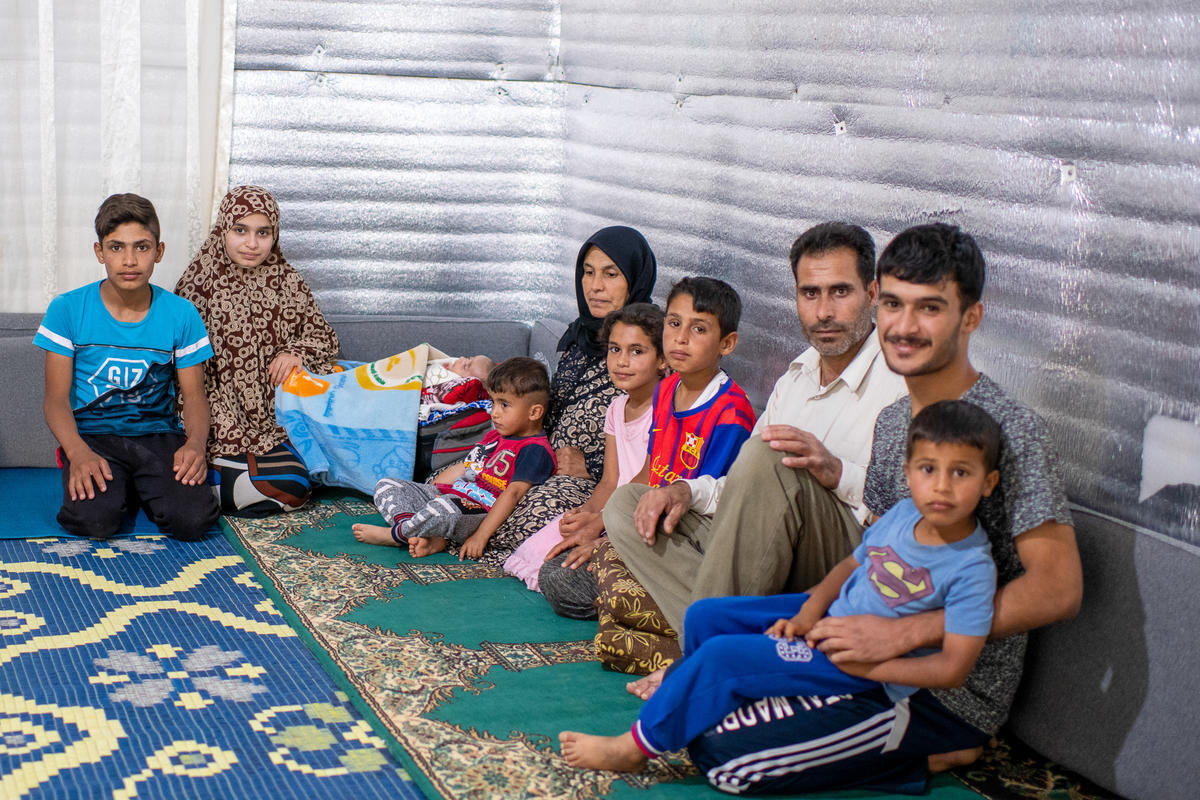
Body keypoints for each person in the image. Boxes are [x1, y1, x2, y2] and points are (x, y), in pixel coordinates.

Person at [688, 223, 1083, 796]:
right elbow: (875, 546)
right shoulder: (896, 420)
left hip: (937, 685)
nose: (904, 326)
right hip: (869, 624)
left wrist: (901, 635)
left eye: (930, 308)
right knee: (708, 625)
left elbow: (1059, 588)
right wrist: (821, 615)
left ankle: (934, 748)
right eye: (895, 304)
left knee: (718, 749)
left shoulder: (1011, 430)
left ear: (970, 318)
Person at [560, 400, 1002, 774]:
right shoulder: (905, 515)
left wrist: (866, 667)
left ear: (989, 483)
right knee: (706, 616)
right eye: (928, 469)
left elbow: (952, 670)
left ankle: (636, 746)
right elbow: (852, 565)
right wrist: (808, 611)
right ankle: (716, 697)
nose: (941, 486)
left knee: (723, 658)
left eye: (960, 473)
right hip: (831, 617)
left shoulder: (973, 567)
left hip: (861, 662)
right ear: (907, 473)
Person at [600, 223, 907, 684]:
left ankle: (702, 659)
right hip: (766, 548)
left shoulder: (900, 382)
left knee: (770, 456)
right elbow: (744, 483)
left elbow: (918, 513)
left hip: (845, 556)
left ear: (873, 293)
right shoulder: (796, 378)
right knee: (628, 504)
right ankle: (746, 642)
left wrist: (836, 472)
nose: (823, 311)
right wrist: (684, 491)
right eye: (810, 293)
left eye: (840, 292)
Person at [592, 277, 757, 673]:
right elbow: (651, 471)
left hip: (699, 535)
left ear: (727, 344)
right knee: (601, 541)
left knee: (599, 576)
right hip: (659, 524)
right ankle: (690, 633)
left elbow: (710, 505)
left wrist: (616, 532)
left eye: (699, 329)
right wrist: (599, 522)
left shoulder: (731, 411)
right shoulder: (665, 391)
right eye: (674, 323)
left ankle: (710, 636)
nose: (680, 338)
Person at [468, 226, 657, 567]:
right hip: (536, 456)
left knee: (533, 514)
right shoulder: (578, 338)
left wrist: (589, 469)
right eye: (588, 272)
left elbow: (648, 453)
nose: (595, 286)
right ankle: (452, 518)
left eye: (611, 274)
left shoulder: (654, 347)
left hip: (591, 484)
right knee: (467, 473)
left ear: (635, 279)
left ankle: (457, 527)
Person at [34, 193, 219, 540]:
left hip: (158, 435)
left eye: (142, 247)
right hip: (93, 436)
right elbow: (55, 399)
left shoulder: (181, 314)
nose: (129, 260)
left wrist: (195, 445)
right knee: (94, 522)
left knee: (192, 521)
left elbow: (195, 396)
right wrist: (77, 452)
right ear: (99, 252)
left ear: (159, 252)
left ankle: (136, 484)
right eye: (116, 247)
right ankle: (121, 484)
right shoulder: (67, 309)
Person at [175, 185, 340, 516]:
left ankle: (232, 484)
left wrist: (295, 352)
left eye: (263, 233)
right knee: (291, 485)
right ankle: (221, 481)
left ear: (274, 235)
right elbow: (180, 368)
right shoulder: (197, 284)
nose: (252, 243)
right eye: (241, 230)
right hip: (217, 415)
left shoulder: (288, 282)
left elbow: (324, 338)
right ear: (223, 228)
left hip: (277, 418)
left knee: (315, 471)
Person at [502, 303, 665, 599]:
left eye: (637, 351)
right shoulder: (616, 408)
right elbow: (610, 481)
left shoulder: (665, 411)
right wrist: (585, 513)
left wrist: (597, 524)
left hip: (639, 516)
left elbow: (646, 481)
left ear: (663, 360)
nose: (622, 361)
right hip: (609, 510)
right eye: (615, 349)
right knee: (534, 552)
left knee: (563, 574)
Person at [351, 357, 556, 559]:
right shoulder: (496, 436)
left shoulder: (535, 450)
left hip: (478, 508)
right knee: (387, 485)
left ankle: (396, 535)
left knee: (444, 508)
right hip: (453, 495)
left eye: (504, 405)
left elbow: (513, 493)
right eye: (493, 402)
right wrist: (430, 492)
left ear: (534, 412)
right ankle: (422, 533)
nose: (494, 412)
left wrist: (481, 536)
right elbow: (465, 467)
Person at [420, 354, 494, 422]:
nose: (462, 358)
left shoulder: (454, 383)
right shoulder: (452, 363)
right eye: (469, 358)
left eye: (465, 367)